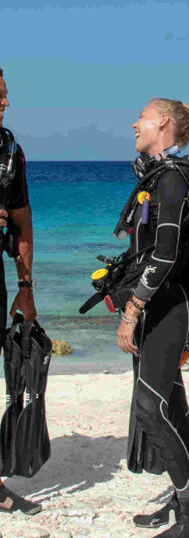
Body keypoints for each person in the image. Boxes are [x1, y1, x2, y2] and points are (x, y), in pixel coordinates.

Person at [117, 98, 189, 538]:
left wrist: (133, 309)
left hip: (168, 306)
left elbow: (166, 253)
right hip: (165, 303)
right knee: (172, 404)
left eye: (143, 117)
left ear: (164, 124)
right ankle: (181, 504)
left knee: (150, 409)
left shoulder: (171, 180)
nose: (135, 123)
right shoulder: (160, 175)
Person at [0, 66, 42, 516]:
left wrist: (25, 286)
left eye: (6, 95)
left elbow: (21, 218)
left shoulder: (10, 151)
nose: (6, 102)